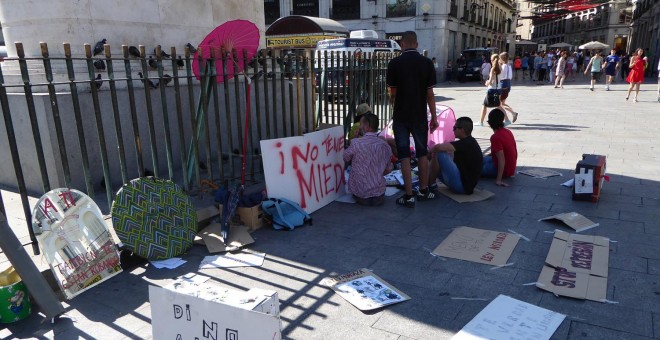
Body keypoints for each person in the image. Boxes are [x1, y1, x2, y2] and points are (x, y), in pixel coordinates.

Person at [386, 31, 438, 208]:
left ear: (402, 44)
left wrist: (395, 102)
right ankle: (424, 190)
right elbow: (430, 94)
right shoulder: (426, 63)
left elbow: (392, 94)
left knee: (404, 156)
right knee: (422, 153)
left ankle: (408, 196)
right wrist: (434, 117)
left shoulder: (394, 63)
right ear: (416, 44)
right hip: (419, 116)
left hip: (401, 116)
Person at [343, 113, 393, 206]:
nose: (359, 127)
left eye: (361, 124)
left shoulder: (356, 143)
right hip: (379, 194)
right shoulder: (384, 145)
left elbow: (345, 157)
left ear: (367, 127)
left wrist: (354, 139)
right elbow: (389, 168)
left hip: (360, 193)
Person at [427, 117, 483, 195]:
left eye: (454, 128)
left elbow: (438, 147)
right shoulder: (470, 141)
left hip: (462, 187)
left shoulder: (466, 143)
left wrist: (429, 152)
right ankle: (428, 180)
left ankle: (431, 185)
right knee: (439, 155)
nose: (453, 130)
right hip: (465, 185)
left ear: (462, 130)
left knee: (439, 153)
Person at [482, 109, 517, 187]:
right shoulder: (508, 131)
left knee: (473, 168)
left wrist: (498, 180)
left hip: (504, 170)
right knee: (481, 159)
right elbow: (512, 150)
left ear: (490, 123)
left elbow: (501, 160)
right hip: (511, 168)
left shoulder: (495, 137)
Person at [479, 54, 501, 126]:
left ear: (492, 60)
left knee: (484, 105)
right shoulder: (501, 68)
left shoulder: (493, 69)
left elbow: (490, 82)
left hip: (491, 90)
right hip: (498, 89)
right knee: (498, 105)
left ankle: (481, 122)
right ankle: (504, 120)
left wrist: (487, 82)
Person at [497, 52, 517, 123]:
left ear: (502, 59)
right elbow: (510, 76)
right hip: (508, 83)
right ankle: (511, 113)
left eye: (499, 58)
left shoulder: (503, 66)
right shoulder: (509, 66)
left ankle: (512, 113)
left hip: (503, 84)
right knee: (502, 103)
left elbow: (501, 76)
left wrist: (499, 65)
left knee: (499, 104)